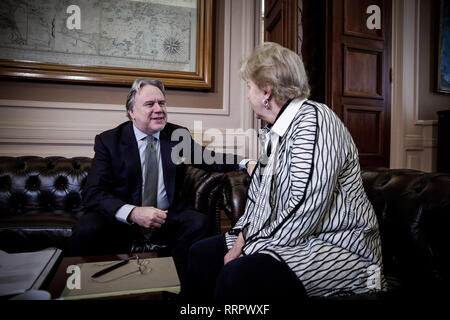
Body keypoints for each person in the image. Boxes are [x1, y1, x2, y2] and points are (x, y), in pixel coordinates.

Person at [184, 42, 385, 301]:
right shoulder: (273, 135)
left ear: (266, 91)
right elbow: (258, 202)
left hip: (340, 249)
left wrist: (250, 248)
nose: (247, 95)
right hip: (299, 240)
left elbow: (305, 205)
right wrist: (240, 237)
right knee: (201, 254)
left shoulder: (314, 120)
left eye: (249, 87)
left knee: (238, 275)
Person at [68, 78, 245, 284]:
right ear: (131, 112)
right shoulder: (109, 141)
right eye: (150, 104)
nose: (159, 109)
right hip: (121, 220)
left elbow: (209, 158)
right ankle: (77, 288)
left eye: (162, 103)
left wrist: (246, 162)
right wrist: (133, 212)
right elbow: (93, 193)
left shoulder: (177, 135)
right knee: (86, 228)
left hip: (165, 217)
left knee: (199, 223)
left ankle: (177, 288)